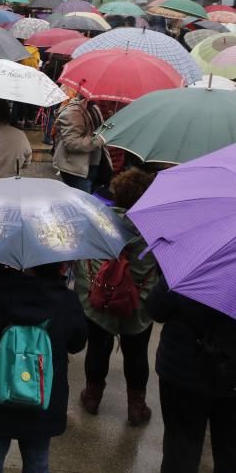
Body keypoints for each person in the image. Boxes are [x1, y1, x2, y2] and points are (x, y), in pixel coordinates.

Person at [0, 263, 88, 473]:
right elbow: (77, 344)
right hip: (43, 391)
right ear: (61, 267)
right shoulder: (68, 301)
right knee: (37, 458)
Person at [73, 168, 160, 426]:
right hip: (139, 305)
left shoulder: (98, 222)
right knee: (137, 354)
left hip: (99, 300)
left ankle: (92, 396)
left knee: (98, 347)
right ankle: (136, 406)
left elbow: (82, 256)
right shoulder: (156, 230)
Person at [148, 275, 236, 472]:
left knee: (181, 450)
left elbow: (156, 308)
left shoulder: (194, 263)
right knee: (230, 453)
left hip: (183, 371)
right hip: (229, 376)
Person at [53, 96, 106, 193]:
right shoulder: (73, 112)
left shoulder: (94, 108)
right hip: (76, 169)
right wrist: (99, 140)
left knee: (91, 201)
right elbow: (72, 143)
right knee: (82, 204)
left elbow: (99, 130)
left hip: (93, 164)